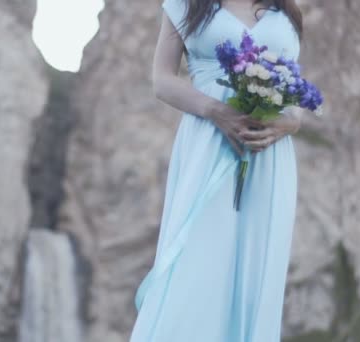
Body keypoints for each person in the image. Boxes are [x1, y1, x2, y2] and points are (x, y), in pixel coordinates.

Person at [129, 0, 306, 341]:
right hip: (209, 141)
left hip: (269, 155)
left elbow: (295, 89)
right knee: (198, 259)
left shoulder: (286, 10)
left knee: (257, 269)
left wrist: (290, 124)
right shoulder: (185, 6)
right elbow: (162, 80)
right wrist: (215, 110)